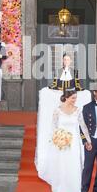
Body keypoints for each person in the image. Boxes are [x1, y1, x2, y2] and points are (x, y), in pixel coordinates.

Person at [36, 53, 92, 181]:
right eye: (64, 59)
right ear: (62, 61)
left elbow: (77, 84)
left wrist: (79, 89)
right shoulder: (58, 71)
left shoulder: (74, 72)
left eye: (68, 59)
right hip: (61, 94)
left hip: (73, 130)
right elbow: (55, 83)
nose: (66, 61)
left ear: (71, 61)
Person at [45, 89, 92, 192]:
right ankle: (63, 189)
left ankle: (74, 191)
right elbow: (53, 127)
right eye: (73, 98)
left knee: (74, 165)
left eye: (76, 98)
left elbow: (84, 127)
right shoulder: (57, 110)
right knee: (63, 165)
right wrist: (56, 139)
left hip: (74, 143)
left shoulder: (78, 110)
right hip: (62, 143)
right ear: (66, 97)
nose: (75, 100)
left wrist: (88, 141)